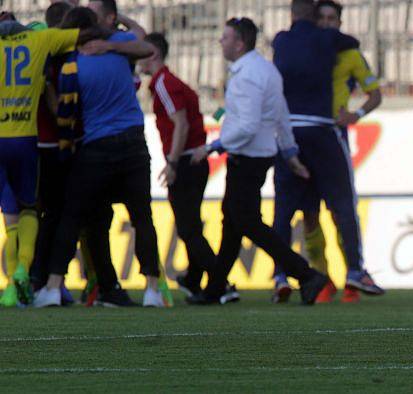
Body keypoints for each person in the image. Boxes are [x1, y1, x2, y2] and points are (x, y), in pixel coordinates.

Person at [189, 17, 328, 306]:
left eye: (225, 37)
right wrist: (290, 154)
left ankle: (306, 275)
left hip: (246, 158)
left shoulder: (247, 75)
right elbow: (281, 115)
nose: (221, 42)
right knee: (233, 223)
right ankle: (215, 288)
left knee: (248, 223)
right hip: (258, 156)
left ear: (240, 43)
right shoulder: (266, 70)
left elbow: (248, 126)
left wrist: (213, 146)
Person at [33, 7, 166, 308]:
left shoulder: (72, 64)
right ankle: (153, 290)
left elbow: (62, 113)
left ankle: (53, 286)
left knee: (72, 216)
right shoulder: (120, 51)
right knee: (142, 218)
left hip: (96, 147)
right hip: (133, 143)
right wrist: (113, 42)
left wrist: (48, 88)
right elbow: (147, 46)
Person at [270, 0, 384, 304]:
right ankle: (323, 277)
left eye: (332, 18)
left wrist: (356, 115)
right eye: (322, 17)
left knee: (335, 210)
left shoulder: (347, 54)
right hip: (320, 131)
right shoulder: (323, 43)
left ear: (340, 21)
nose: (327, 22)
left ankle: (345, 276)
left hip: (330, 132)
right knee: (309, 214)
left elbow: (375, 94)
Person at [0, 9, 107, 306]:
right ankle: (25, 269)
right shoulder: (42, 41)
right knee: (34, 211)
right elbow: (85, 35)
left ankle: (12, 286)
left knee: (10, 219)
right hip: (27, 140)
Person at [139, 32, 216, 299]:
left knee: (187, 227)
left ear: (153, 54)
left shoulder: (163, 83)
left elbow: (180, 123)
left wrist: (171, 162)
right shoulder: (168, 81)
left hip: (185, 160)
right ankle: (194, 279)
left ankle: (220, 281)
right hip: (193, 158)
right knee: (190, 223)